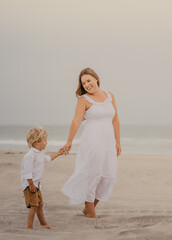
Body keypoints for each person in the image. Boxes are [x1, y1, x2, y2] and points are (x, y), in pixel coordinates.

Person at [61, 67, 121, 218]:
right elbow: (76, 121)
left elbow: (115, 119)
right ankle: (91, 215)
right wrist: (69, 141)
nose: (87, 85)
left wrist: (118, 142)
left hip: (108, 144)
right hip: (92, 142)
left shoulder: (110, 96)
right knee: (92, 174)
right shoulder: (84, 100)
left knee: (108, 176)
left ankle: (89, 206)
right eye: (83, 83)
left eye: (88, 80)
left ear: (96, 78)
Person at [21, 127, 64, 229]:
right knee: (34, 206)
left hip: (37, 184)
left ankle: (43, 223)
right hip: (30, 185)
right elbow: (27, 172)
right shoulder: (30, 155)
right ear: (37, 141)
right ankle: (29, 227)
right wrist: (31, 184)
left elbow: (48, 159)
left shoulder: (40, 153)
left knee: (39, 204)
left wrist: (58, 153)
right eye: (45, 140)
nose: (46, 143)